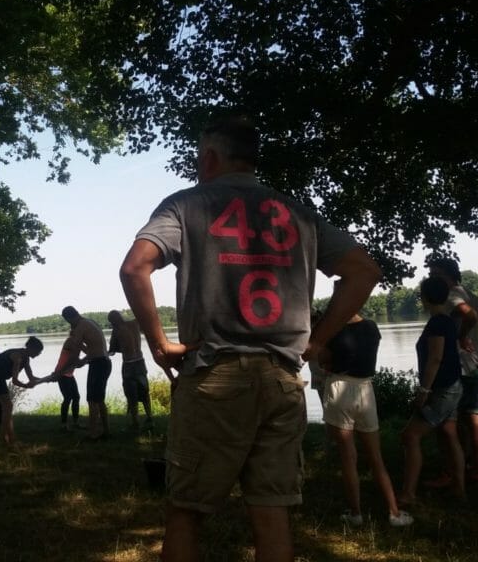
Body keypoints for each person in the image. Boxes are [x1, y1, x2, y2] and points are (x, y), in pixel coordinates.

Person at [119, 113, 381, 562]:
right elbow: (365, 271)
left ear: (209, 158)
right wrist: (318, 341)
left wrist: (159, 345)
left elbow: (134, 267)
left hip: (214, 378)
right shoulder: (298, 212)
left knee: (186, 511)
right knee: (272, 512)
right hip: (283, 380)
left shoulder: (185, 205)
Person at [320, 302, 413, 527]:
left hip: (339, 388)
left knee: (348, 458)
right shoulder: (372, 327)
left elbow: (322, 359)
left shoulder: (332, 329)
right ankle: (394, 513)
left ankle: (356, 513)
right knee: (376, 457)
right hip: (365, 390)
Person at [398, 276, 466, 506]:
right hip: (453, 386)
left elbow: (435, 358)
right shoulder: (447, 321)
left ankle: (408, 494)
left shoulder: (437, 323)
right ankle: (459, 489)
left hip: (442, 390)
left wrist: (424, 390)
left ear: (425, 297)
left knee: (410, 435)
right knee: (449, 433)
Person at [426, 256, 478, 485]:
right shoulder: (466, 292)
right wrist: (472, 328)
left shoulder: (451, 295)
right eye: (431, 275)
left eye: (436, 274)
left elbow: (471, 314)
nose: (432, 279)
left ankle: (450, 472)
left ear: (449, 275)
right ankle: (475, 468)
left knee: (447, 423)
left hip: (459, 368)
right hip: (477, 365)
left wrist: (462, 335)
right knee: (472, 418)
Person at [62, 306, 112, 441]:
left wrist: (62, 370)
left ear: (69, 318)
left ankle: (93, 434)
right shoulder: (90, 322)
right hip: (104, 362)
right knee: (99, 400)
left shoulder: (80, 327)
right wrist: (82, 361)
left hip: (98, 364)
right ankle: (106, 431)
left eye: (69, 321)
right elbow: (92, 349)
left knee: (92, 400)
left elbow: (74, 354)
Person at [0, 336, 44, 444]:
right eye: (38, 351)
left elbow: (31, 377)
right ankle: (4, 438)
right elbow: (15, 381)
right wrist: (26, 386)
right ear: (31, 348)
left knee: (7, 407)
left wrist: (48, 379)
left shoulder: (26, 358)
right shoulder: (18, 357)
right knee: (8, 406)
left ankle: (10, 438)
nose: (39, 354)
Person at [108, 309, 155, 431]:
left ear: (112, 322)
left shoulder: (116, 330)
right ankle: (150, 418)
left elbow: (112, 350)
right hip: (140, 362)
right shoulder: (135, 323)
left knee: (131, 394)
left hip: (128, 364)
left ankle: (135, 423)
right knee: (144, 391)